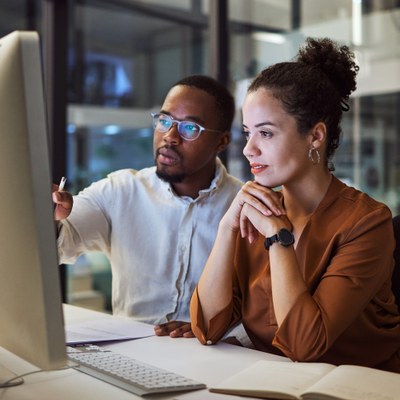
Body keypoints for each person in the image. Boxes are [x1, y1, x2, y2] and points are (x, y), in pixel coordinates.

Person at [190, 38, 400, 372]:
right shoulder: (254, 211)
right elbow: (206, 327)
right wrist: (226, 228)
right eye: (248, 133)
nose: (249, 149)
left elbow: (305, 344)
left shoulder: (367, 222)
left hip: (357, 389)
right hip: (275, 383)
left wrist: (278, 237)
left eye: (266, 134)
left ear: (315, 136)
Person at [53, 75, 243, 338]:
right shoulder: (120, 191)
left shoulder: (244, 207)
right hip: (128, 350)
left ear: (221, 142)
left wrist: (217, 330)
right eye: (164, 121)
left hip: (212, 351)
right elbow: (61, 245)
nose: (170, 136)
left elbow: (263, 310)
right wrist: (51, 218)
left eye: (189, 128)